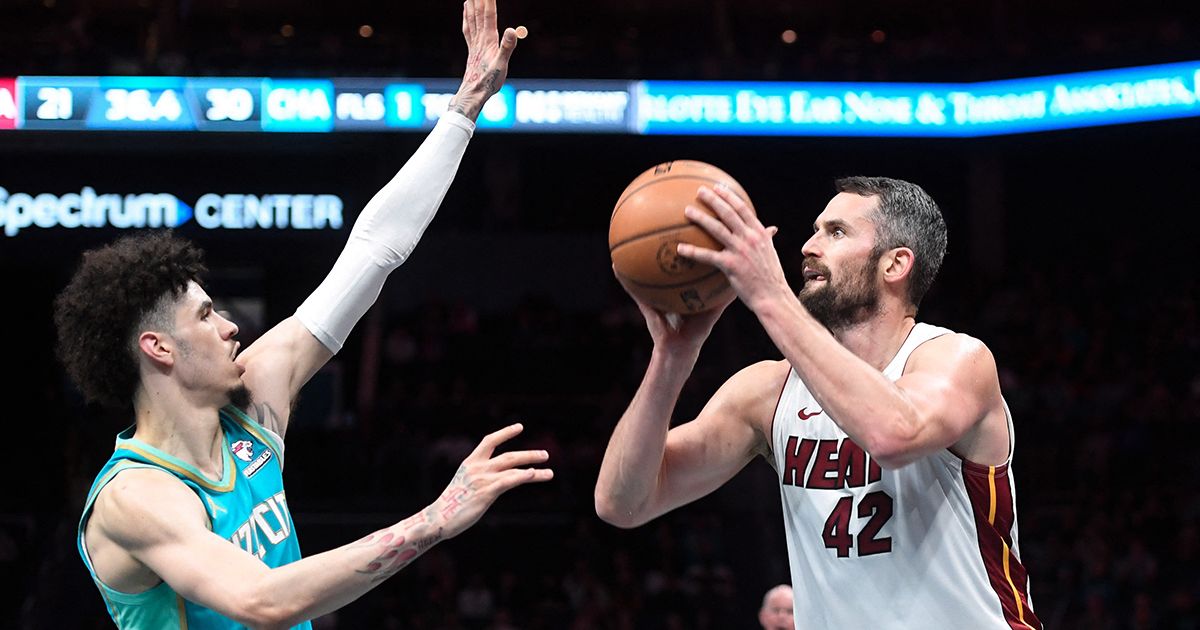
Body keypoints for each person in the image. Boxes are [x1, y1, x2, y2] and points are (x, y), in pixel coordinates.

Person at [53, 2, 552, 628]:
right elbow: (262, 601)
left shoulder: (252, 406)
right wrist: (436, 519)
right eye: (205, 317)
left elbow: (372, 251)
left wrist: (465, 108)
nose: (231, 327)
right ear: (158, 347)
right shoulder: (135, 496)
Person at [595, 177, 1040, 628]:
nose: (809, 246)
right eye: (815, 230)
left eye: (837, 232)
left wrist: (770, 296)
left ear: (895, 264)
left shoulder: (956, 359)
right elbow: (622, 502)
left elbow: (893, 434)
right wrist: (671, 359)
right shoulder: (768, 391)